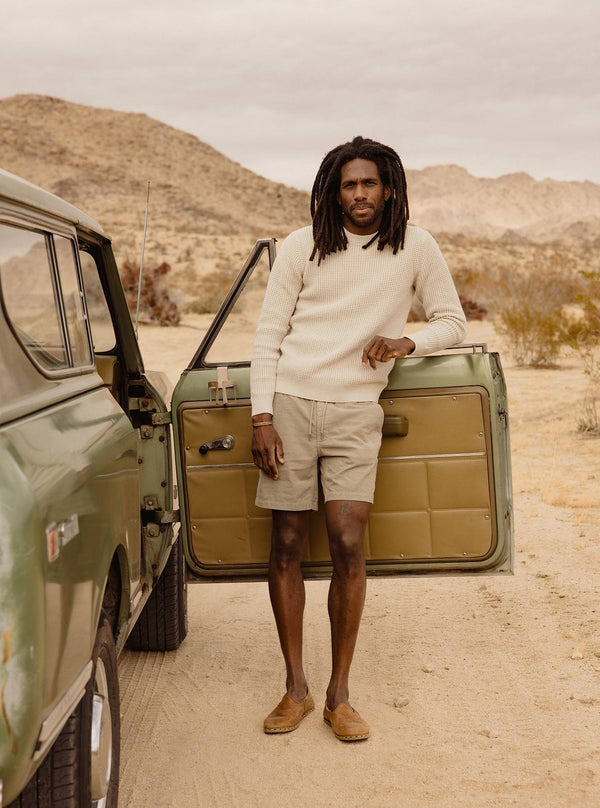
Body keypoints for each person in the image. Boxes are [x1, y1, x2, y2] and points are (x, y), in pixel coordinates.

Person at [250, 136, 466, 742]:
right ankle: (295, 687)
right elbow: (269, 335)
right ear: (333, 191)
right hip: (290, 404)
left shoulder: (415, 246)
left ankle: (340, 695)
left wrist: (406, 343)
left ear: (389, 188)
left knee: (347, 538)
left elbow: (452, 320)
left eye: (370, 183)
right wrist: (261, 417)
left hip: (356, 409)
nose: (360, 194)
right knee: (288, 541)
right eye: (349, 185)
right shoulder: (302, 246)